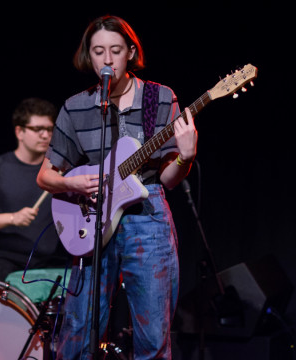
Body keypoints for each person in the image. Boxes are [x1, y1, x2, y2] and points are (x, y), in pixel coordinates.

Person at [36, 15, 198, 359]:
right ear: (88, 56)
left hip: (147, 215)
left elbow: (168, 180)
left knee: (153, 333)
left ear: (130, 52)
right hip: (91, 218)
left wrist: (184, 158)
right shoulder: (76, 106)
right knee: (78, 331)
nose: (106, 60)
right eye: (98, 51)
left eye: (115, 50)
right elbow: (45, 176)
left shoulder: (161, 97)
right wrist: (72, 183)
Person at [0, 97, 69, 282]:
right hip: (3, 262)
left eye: (50, 129)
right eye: (37, 129)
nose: (45, 135)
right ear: (20, 132)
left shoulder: (59, 172)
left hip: (48, 262)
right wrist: (13, 218)